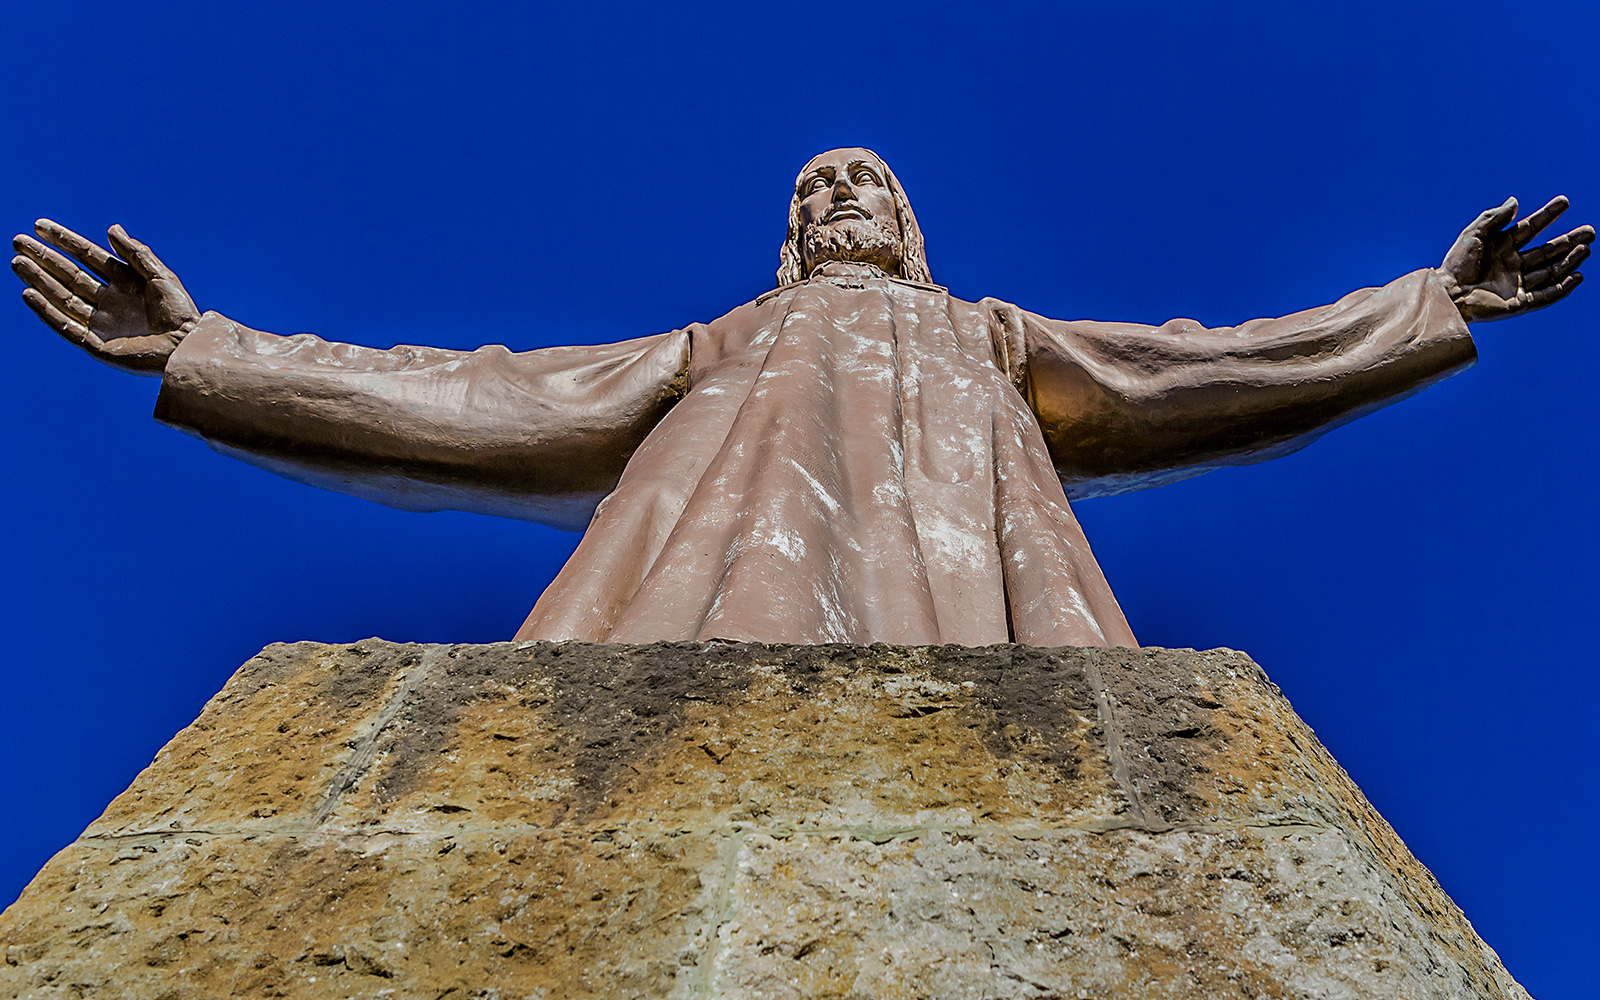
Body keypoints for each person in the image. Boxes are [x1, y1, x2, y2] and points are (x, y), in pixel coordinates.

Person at [11, 148, 1592, 647]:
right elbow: (478, 399)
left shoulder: (987, 335)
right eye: (819, 184)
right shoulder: (717, 344)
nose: (841, 192)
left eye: (869, 184)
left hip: (983, 610)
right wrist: (211, 350)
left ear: (911, 230)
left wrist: (1422, 307)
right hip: (704, 595)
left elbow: (1204, 366)